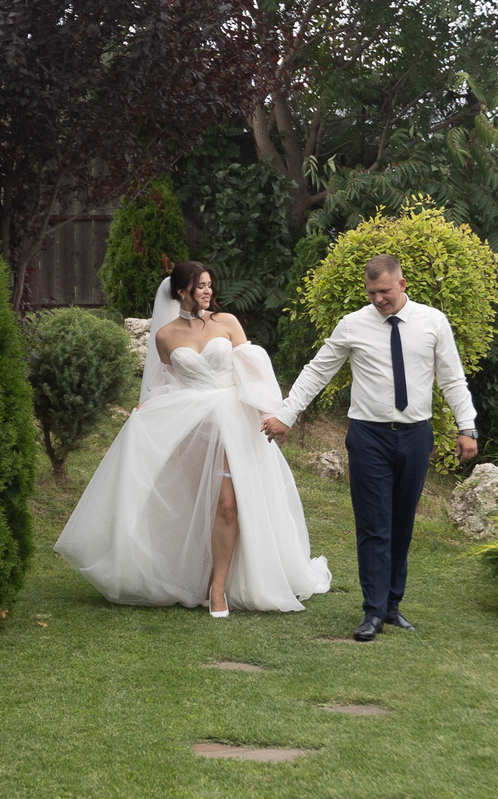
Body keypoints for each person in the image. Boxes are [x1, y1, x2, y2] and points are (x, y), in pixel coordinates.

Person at [55, 262, 331, 615]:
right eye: (200, 285)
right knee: (202, 506)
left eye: (209, 285)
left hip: (234, 420)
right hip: (193, 426)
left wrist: (269, 414)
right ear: (182, 290)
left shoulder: (227, 322)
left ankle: (218, 589)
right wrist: (149, 410)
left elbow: (253, 373)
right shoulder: (165, 335)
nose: (207, 291)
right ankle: (206, 577)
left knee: (229, 505)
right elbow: (167, 382)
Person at [262, 253, 477, 641]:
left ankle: (393, 605)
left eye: (385, 292)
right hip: (369, 436)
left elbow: (453, 379)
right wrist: (286, 414)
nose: (378, 300)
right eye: (372, 293)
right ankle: (373, 611)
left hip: (415, 435)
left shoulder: (433, 322)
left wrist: (468, 426)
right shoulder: (353, 324)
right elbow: (317, 370)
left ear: (402, 285)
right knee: (374, 524)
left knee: (401, 523)